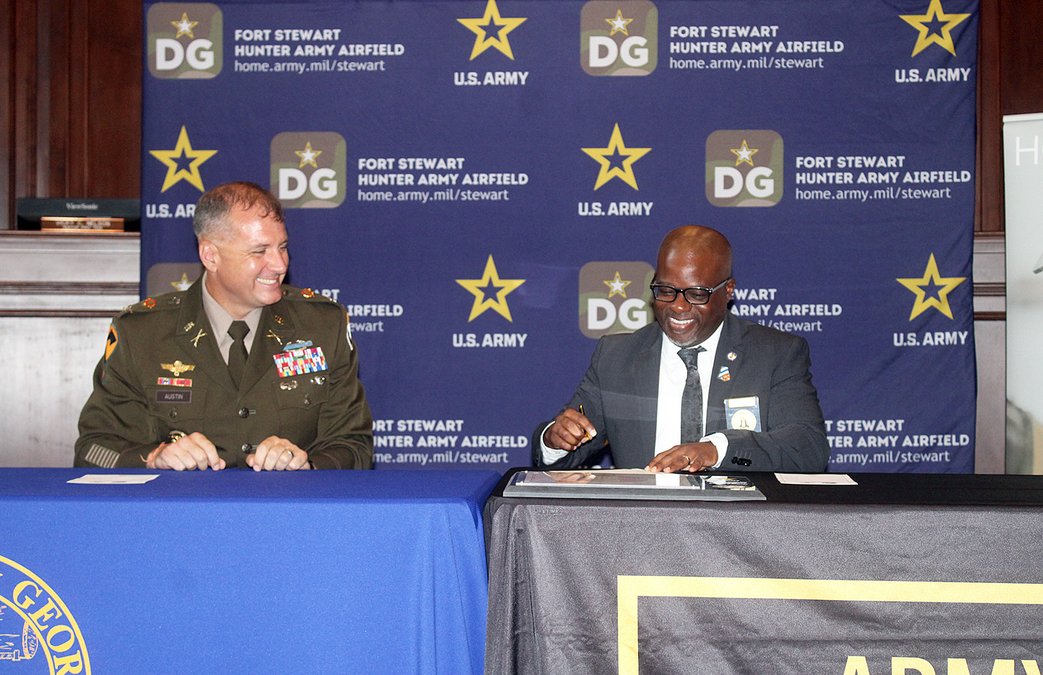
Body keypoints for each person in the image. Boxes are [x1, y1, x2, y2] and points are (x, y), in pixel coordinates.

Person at [76, 181, 373, 471]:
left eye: (282, 247)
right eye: (259, 251)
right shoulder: (141, 334)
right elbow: (93, 450)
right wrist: (154, 457)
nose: (280, 264)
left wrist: (307, 464)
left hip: (288, 503)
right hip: (182, 504)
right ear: (211, 256)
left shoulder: (322, 326)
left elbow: (355, 447)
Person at [535, 225, 829, 473]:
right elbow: (566, 452)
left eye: (697, 294)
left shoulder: (774, 354)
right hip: (644, 518)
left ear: (728, 291)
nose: (678, 306)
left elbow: (806, 448)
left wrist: (715, 450)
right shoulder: (616, 356)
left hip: (738, 519)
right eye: (666, 290)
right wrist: (554, 440)